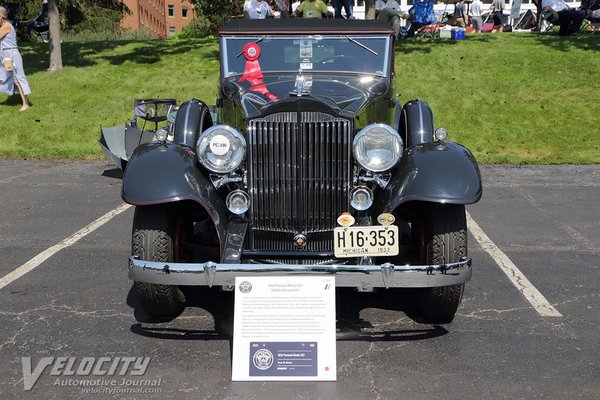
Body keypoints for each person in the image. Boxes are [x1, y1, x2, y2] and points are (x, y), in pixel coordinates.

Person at [0, 6, 31, 112]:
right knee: (12, 79)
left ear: (1, 17)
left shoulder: (6, 26)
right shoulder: (3, 26)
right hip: (6, 55)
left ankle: (26, 103)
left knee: (18, 78)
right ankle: (25, 100)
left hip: (11, 56)